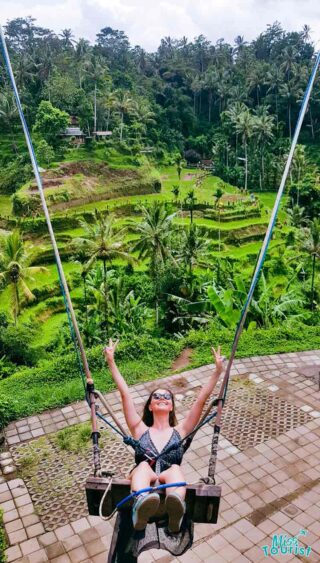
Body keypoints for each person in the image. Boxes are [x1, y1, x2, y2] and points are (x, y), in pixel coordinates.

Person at [104, 339, 224, 534]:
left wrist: (217, 372)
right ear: (150, 406)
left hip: (168, 478)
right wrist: (111, 361)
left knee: (175, 468)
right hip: (146, 478)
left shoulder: (181, 431)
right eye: (156, 397)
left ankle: (175, 509)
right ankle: (141, 505)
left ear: (171, 406)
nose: (161, 398)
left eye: (166, 397)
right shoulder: (139, 429)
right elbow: (125, 395)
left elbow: (201, 401)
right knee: (142, 466)